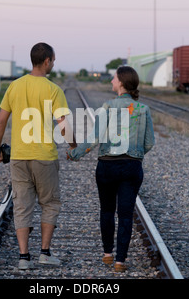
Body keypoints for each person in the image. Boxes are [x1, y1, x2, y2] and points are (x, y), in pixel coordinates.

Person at [0, 42, 77, 270]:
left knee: (22, 205)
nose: (53, 63)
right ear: (47, 60)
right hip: (44, 156)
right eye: (54, 60)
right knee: (50, 203)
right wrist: (73, 146)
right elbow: (63, 123)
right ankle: (45, 253)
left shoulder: (15, 86)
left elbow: (1, 120)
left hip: (19, 156)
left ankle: (23, 258)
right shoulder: (53, 90)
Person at [68, 66, 155, 272]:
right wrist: (134, 154)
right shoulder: (143, 110)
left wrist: (75, 154)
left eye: (114, 78)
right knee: (125, 215)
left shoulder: (107, 107)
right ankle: (120, 262)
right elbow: (149, 143)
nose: (111, 82)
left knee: (107, 210)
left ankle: (107, 254)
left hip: (107, 166)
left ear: (122, 83)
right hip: (131, 166)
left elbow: (95, 139)